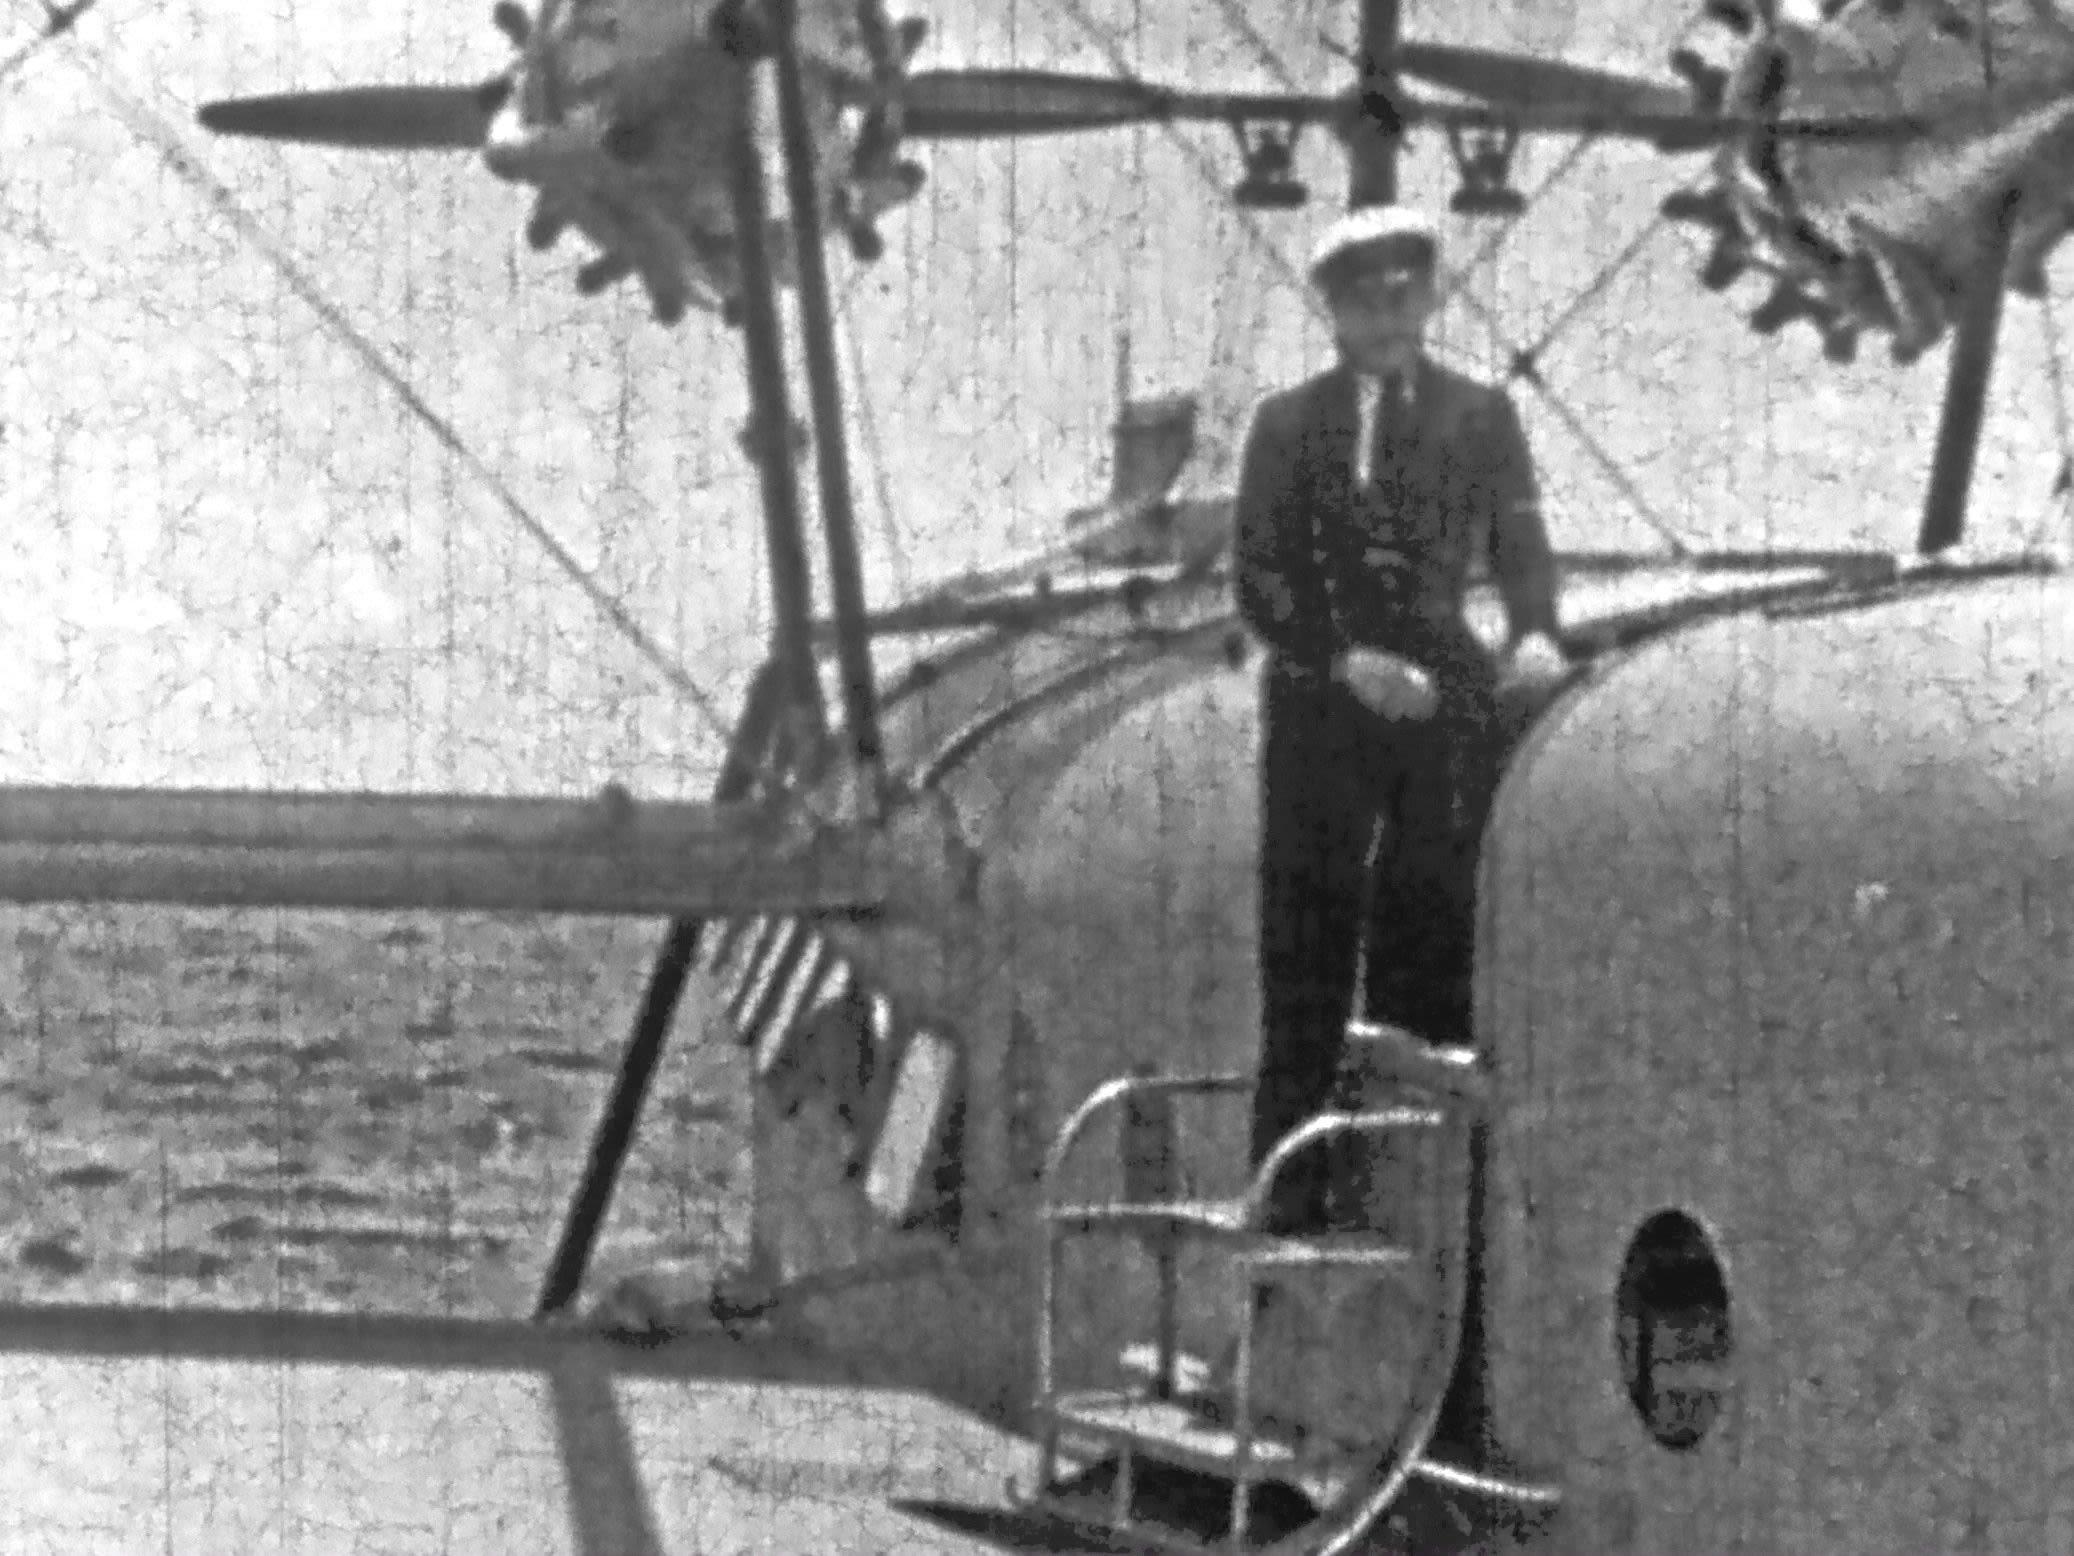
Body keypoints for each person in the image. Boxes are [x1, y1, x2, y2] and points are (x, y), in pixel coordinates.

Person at [1233, 204, 1567, 1236]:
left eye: (1404, 289)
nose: (1386, 310)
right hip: (1321, 695)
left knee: (1430, 929)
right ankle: (1290, 1189)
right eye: (1362, 294)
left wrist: (1536, 631)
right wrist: (1342, 661)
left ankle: (1415, 1190)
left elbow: (1518, 536)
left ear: (1427, 296)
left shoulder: (1480, 414)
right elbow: (1259, 576)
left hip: (1438, 691)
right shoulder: (1286, 426)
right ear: (1329, 308)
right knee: (1308, 943)